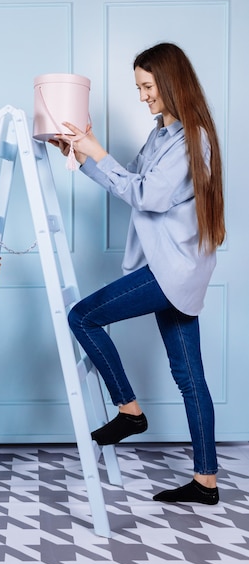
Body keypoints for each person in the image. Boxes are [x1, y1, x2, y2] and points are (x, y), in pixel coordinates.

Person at [50, 42, 225, 505]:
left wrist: (96, 149)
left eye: (148, 86)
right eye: (139, 87)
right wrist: (80, 154)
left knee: (82, 316)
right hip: (173, 270)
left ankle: (129, 411)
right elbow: (128, 182)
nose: (143, 95)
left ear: (170, 83)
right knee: (191, 378)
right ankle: (206, 483)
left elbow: (147, 196)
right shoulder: (161, 135)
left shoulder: (193, 137)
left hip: (170, 270)